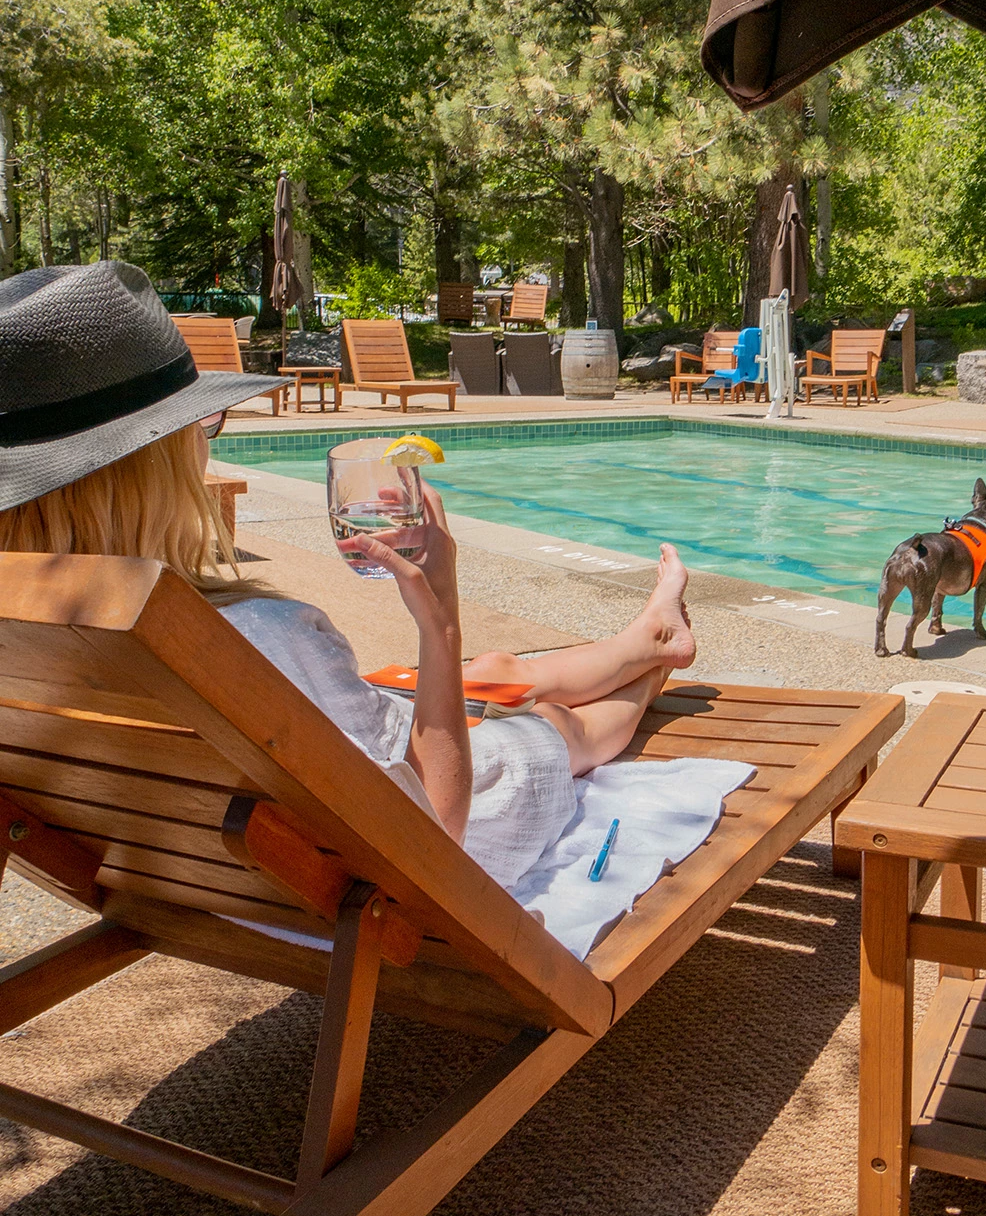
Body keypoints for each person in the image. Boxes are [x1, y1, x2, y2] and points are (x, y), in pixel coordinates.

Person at [0, 261, 697, 890]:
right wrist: (440, 613)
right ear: (149, 462)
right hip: (365, 865)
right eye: (201, 425)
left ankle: (647, 637)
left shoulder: (33, 624)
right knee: (549, 727)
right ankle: (653, 669)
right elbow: (436, 828)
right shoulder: (256, 637)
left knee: (494, 671)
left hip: (192, 875)